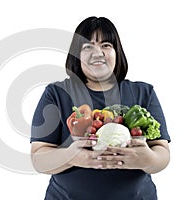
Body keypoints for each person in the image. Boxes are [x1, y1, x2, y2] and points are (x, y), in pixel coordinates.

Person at [30, 16, 170, 200]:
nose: (98, 52)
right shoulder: (57, 93)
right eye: (88, 46)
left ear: (116, 52)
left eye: (106, 45)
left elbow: (162, 153)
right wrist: (71, 157)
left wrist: (147, 159)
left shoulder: (143, 92)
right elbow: (38, 158)